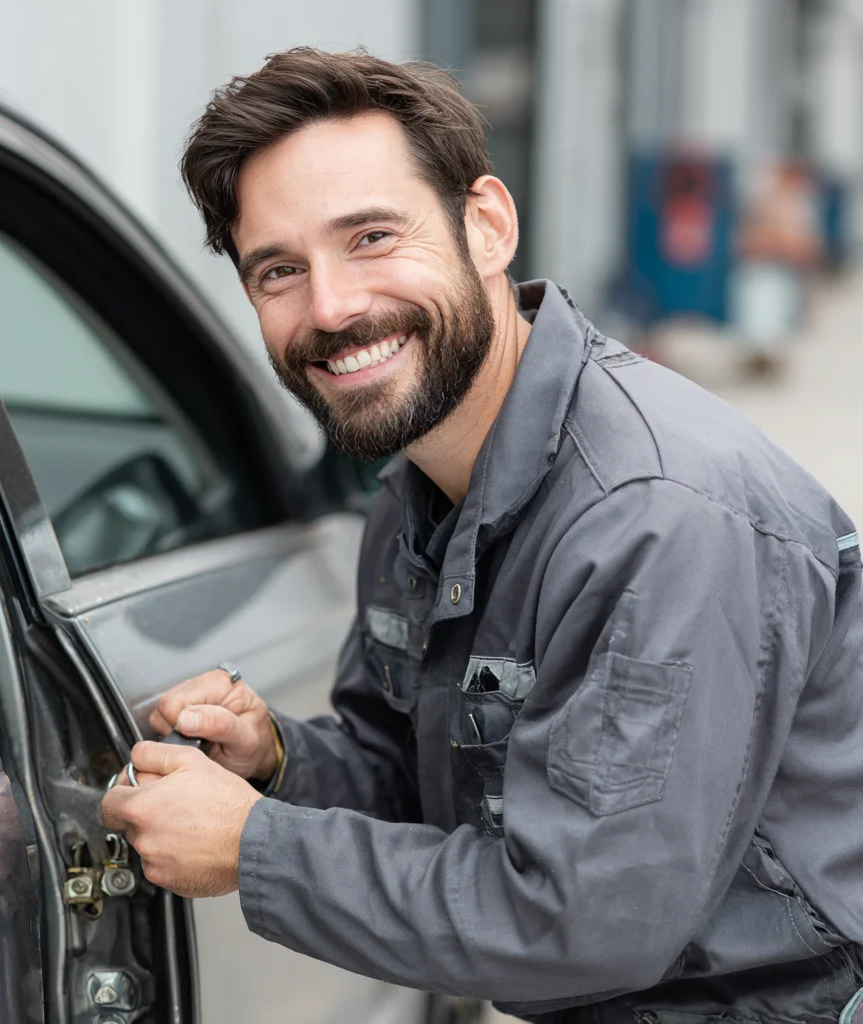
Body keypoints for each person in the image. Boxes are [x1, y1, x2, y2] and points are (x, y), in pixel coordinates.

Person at [101, 48, 863, 1023]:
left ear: (488, 225)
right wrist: (277, 764)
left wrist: (257, 847)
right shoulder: (419, 485)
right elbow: (422, 777)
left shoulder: (653, 512)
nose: (331, 307)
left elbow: (589, 920)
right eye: (279, 270)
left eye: (371, 236)